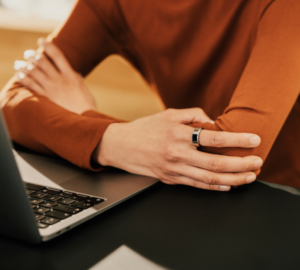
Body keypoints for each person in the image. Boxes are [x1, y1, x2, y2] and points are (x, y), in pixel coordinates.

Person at [1, 0, 299, 190]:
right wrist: (112, 138)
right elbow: (11, 101)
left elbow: (236, 152)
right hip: (184, 190)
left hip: (281, 198)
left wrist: (86, 118)